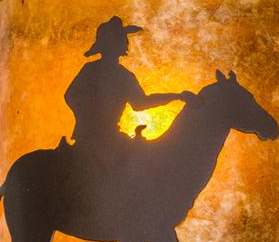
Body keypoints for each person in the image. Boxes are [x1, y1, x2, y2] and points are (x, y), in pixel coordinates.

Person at [64, 16, 194, 154]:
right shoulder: (121, 75)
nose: (125, 42)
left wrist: (86, 118)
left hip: (88, 136)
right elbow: (140, 103)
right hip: (107, 140)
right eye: (122, 38)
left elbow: (70, 95)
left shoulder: (92, 69)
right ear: (118, 44)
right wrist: (176, 96)